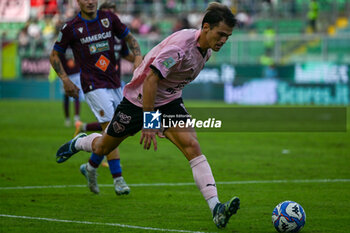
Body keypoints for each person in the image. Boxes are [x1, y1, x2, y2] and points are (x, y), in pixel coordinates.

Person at [56, 2, 239, 229]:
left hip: (169, 101)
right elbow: (151, 80)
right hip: (138, 102)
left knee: (192, 146)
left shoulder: (206, 51)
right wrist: (150, 122)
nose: (223, 40)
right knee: (103, 147)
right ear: (206, 27)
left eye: (227, 37)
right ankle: (79, 142)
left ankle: (216, 208)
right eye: (221, 34)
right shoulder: (180, 48)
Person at [50, 0, 142, 195]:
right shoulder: (71, 27)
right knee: (112, 130)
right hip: (93, 85)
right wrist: (66, 81)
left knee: (121, 131)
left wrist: (138, 57)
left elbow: (130, 39)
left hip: (115, 84)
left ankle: (89, 164)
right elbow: (54, 56)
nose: (90, 1)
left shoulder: (109, 19)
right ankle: (118, 180)